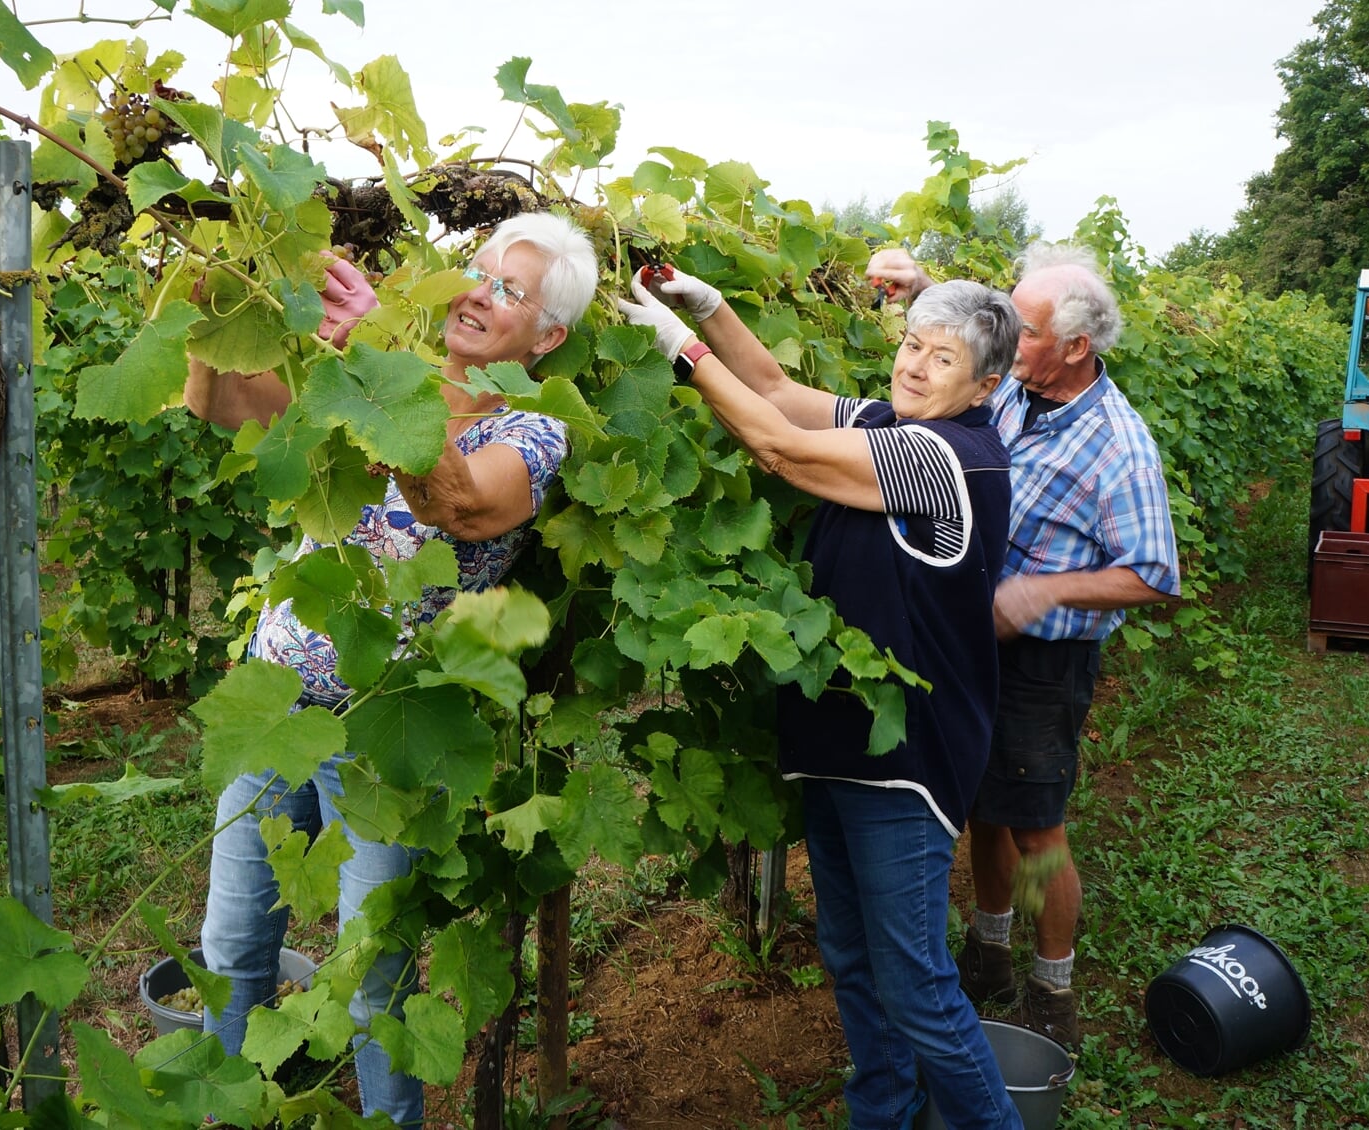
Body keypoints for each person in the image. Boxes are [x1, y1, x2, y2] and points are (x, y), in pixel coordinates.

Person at [187, 212, 597, 1126]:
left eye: (511, 289)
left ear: (549, 335)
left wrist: (379, 374)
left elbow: (459, 505)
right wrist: (215, 314)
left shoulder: (533, 434)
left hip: (383, 740)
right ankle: (220, 1113)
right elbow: (222, 404)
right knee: (231, 941)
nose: (479, 295)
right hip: (273, 710)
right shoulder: (369, 374)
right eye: (478, 272)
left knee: (372, 983)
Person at [620, 270, 1024, 1130]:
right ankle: (885, 1116)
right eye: (912, 343)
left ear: (985, 387)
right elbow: (774, 390)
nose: (913, 366)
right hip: (841, 741)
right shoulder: (889, 421)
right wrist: (711, 309)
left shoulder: (948, 458)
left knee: (916, 987)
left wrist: (678, 351)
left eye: (941, 357)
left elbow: (779, 446)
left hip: (906, 763)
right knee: (850, 957)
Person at [869, 243, 1181, 1048]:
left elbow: (1153, 573)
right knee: (983, 809)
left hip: (1042, 661)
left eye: (1027, 325)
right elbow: (986, 334)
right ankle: (990, 949)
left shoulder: (1119, 444)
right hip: (973, 638)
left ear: (1075, 347)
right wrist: (924, 291)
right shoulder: (1013, 381)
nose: (1008, 333)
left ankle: (1053, 988)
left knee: (1037, 823)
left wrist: (1043, 589)